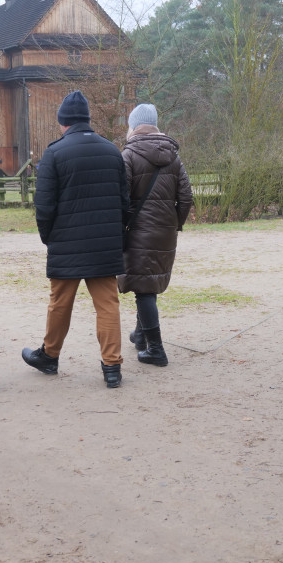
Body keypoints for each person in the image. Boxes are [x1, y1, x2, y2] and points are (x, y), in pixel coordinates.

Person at [21, 90, 130, 387]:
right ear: (86, 119)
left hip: (66, 244)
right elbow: (124, 202)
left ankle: (49, 356)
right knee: (107, 305)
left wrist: (49, 238)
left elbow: (44, 206)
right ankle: (112, 367)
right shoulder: (112, 151)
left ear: (63, 122)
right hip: (104, 244)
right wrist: (117, 237)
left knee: (60, 303)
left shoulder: (54, 153)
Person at [119, 103, 193, 366]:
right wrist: (174, 224)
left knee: (144, 290)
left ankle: (156, 350)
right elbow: (186, 197)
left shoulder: (128, 155)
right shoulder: (173, 155)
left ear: (134, 125)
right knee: (146, 284)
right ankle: (140, 336)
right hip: (165, 232)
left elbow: (122, 197)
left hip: (139, 231)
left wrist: (124, 225)